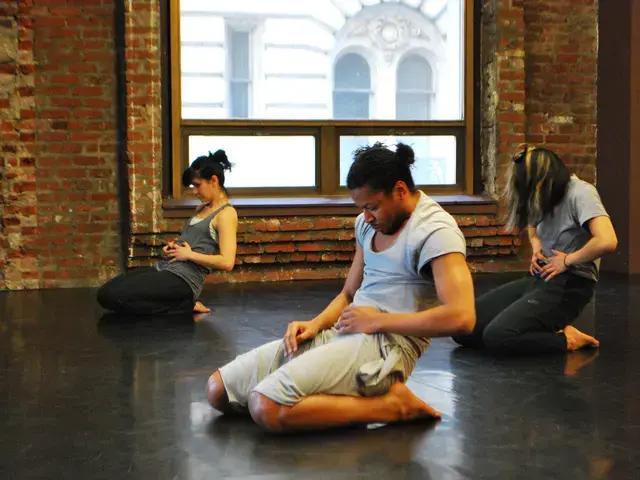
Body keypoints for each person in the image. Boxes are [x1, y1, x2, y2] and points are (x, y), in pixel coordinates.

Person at [205, 142, 476, 433]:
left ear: (399, 190)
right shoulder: (366, 224)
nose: (366, 217)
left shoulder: (436, 231)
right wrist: (316, 324)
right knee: (218, 391)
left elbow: (462, 317)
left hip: (388, 347)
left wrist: (377, 321)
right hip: (347, 331)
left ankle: (394, 406)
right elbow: (348, 293)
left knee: (265, 407)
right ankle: (334, 396)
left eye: (372, 207)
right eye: (362, 208)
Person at [453, 145, 618, 354]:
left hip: (571, 284)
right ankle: (542, 326)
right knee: (462, 327)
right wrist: (536, 246)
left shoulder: (581, 193)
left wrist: (567, 260)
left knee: (498, 337)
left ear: (544, 180)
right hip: (541, 278)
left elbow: (607, 240)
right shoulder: (545, 194)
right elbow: (532, 225)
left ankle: (568, 339)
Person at [97, 150, 238, 316]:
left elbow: (227, 262)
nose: (194, 191)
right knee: (107, 290)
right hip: (166, 268)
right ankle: (177, 303)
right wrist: (173, 248)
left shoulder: (226, 214)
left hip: (183, 280)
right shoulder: (201, 208)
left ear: (214, 180)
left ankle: (184, 305)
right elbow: (193, 243)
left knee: (113, 297)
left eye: (197, 185)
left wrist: (189, 255)